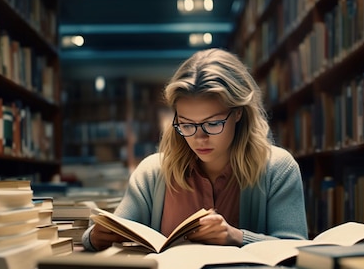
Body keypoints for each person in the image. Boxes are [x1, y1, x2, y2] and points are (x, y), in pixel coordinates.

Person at [82, 48, 308, 252]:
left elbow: (296, 248)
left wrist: (236, 237)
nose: (200, 138)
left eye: (212, 123)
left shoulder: (278, 169)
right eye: (187, 125)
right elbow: (106, 231)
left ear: (239, 113)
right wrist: (95, 236)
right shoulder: (153, 173)